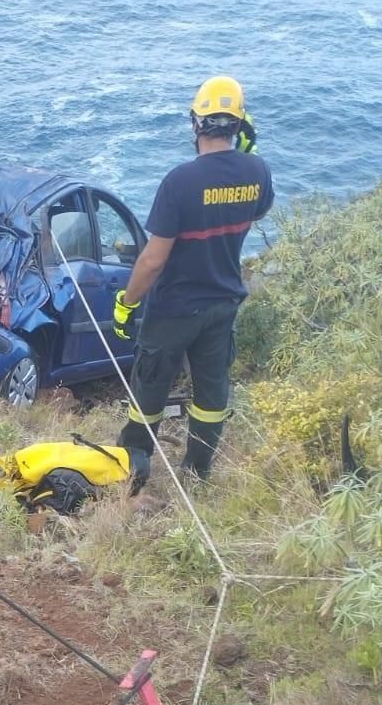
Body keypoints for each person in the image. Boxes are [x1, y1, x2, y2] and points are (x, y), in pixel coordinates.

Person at [112, 75, 273, 482]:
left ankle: (134, 469)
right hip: (222, 304)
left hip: (174, 308)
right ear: (240, 126)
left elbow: (152, 260)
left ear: (196, 125)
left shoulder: (180, 181)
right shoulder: (257, 170)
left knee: (149, 388)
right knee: (211, 391)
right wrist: (246, 160)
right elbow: (253, 216)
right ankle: (195, 472)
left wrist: (126, 302)